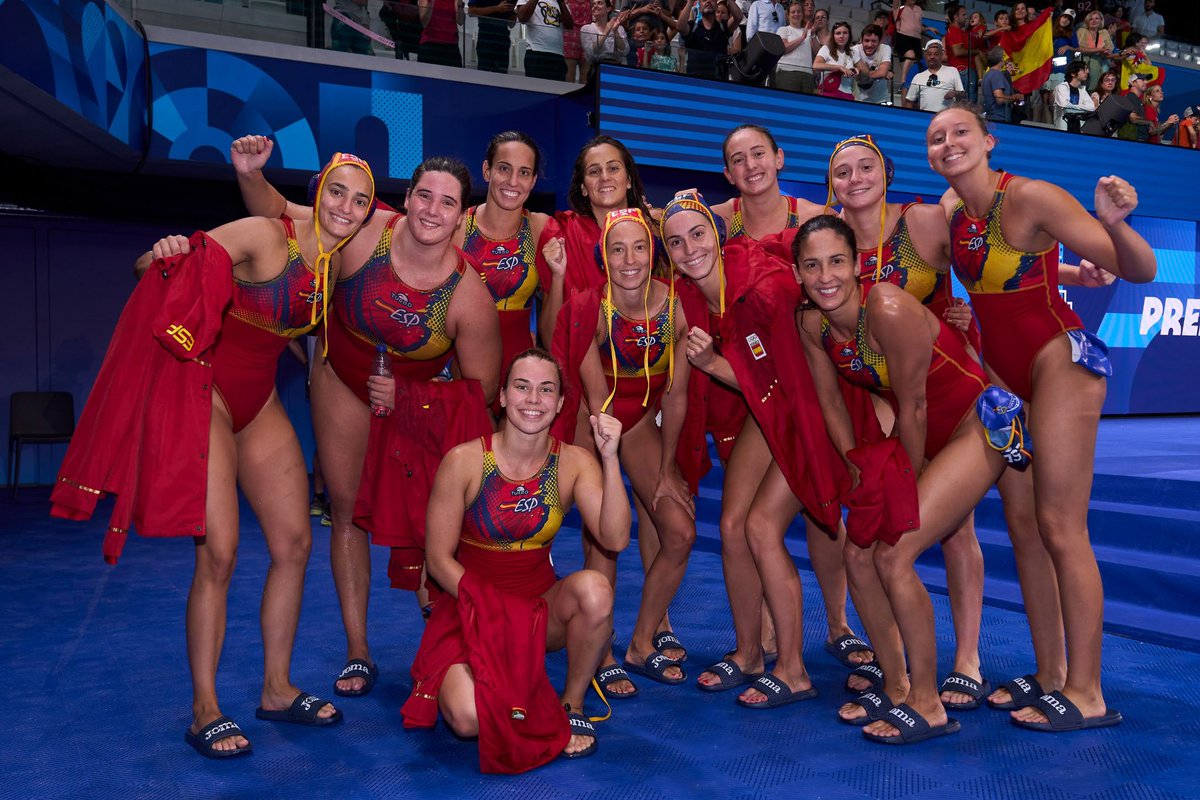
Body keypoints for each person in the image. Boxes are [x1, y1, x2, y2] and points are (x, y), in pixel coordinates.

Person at [53, 152, 378, 758]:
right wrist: (169, 248)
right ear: (318, 192)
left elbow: (289, 330)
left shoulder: (341, 262)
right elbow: (147, 266)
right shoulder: (263, 235)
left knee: (294, 543)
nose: (347, 208)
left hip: (258, 404)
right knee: (220, 553)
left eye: (360, 201)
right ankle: (204, 708)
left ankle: (277, 689)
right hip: (205, 393)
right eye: (337, 193)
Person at [231, 138, 501, 699]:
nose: (431, 209)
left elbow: (485, 391)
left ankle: (443, 643)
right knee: (348, 511)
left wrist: (413, 400)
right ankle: (358, 650)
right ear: (407, 200)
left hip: (419, 408)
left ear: (461, 217)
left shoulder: (468, 295)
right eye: (423, 195)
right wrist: (250, 174)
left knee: (438, 526)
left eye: (447, 202)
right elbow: (280, 213)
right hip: (342, 382)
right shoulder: (363, 231)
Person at [929, 101, 1157, 732]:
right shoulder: (950, 213)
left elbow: (1140, 269)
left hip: (1062, 363)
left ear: (988, 141)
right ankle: (1052, 674)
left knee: (1060, 525)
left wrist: (1114, 223)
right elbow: (1014, 268)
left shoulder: (1031, 197)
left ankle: (1087, 691)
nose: (947, 144)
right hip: (1005, 375)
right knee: (1024, 525)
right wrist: (1067, 272)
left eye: (959, 133)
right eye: (935, 137)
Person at [794, 214, 1027, 743]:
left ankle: (928, 702)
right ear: (799, 273)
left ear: (857, 264)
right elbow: (830, 399)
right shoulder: (812, 325)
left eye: (836, 261)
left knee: (893, 553)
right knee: (858, 552)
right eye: (812, 265)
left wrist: (909, 475)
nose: (825, 276)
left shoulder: (890, 306)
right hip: (915, 434)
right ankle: (897, 685)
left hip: (972, 427)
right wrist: (854, 458)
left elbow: (916, 405)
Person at [401, 349, 631, 769]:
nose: (533, 400)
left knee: (596, 590)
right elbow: (437, 560)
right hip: (470, 609)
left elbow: (614, 537)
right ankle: (500, 679)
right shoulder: (464, 460)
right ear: (503, 396)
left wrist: (611, 458)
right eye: (522, 387)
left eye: (546, 390)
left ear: (561, 403)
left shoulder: (576, 462)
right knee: (468, 719)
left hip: (537, 612)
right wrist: (491, 608)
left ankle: (572, 704)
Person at [710, 125, 870, 671]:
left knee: (820, 509)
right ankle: (757, 643)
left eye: (759, 153)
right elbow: (670, 243)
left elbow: (866, 272)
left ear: (780, 157)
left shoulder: (816, 217)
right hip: (753, 389)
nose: (751, 165)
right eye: (738, 159)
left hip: (817, 385)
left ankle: (838, 623)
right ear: (728, 173)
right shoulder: (717, 223)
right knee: (747, 522)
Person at [551, 207, 701, 687]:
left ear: (654, 252)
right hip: (591, 424)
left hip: (638, 425)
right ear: (603, 258)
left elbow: (676, 395)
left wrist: (667, 470)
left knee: (679, 532)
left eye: (639, 247)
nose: (630, 258)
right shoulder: (591, 308)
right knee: (606, 537)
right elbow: (598, 405)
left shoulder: (676, 305)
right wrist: (608, 475)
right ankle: (599, 652)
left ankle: (640, 643)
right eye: (618, 249)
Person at [538, 135, 654, 699]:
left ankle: (654, 629)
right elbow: (555, 332)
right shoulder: (562, 233)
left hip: (646, 388)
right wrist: (559, 276)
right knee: (598, 520)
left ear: (629, 176)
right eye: (593, 170)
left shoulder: (654, 230)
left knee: (657, 511)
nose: (604, 177)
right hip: (586, 391)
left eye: (614, 167)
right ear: (581, 184)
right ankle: (601, 644)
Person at [453, 131, 553, 418]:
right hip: (463, 368)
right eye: (504, 169)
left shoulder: (540, 228)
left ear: (533, 181)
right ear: (487, 170)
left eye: (524, 172)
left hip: (521, 370)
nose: (513, 182)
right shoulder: (457, 226)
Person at [677, 0, 743, 80]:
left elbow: (738, 17)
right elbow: (680, 27)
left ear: (716, 5)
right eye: (704, 0)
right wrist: (690, 2)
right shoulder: (693, 28)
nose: (708, 1)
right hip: (695, 82)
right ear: (699, 6)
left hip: (718, 82)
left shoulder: (723, 28)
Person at [517, 0, 574, 80]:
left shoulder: (560, 2)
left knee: (557, 90)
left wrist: (561, 3)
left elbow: (569, 26)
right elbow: (522, 18)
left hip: (557, 54)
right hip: (536, 51)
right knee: (535, 88)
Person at [904, 40, 964, 113]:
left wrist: (955, 93)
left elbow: (962, 95)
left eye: (936, 54)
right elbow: (909, 101)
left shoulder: (952, 71)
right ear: (925, 56)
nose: (932, 57)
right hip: (925, 118)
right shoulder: (918, 77)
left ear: (942, 55)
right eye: (929, 54)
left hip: (946, 117)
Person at [580, 0, 630, 77]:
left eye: (599, 3)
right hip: (596, 69)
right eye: (593, 4)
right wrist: (607, 29)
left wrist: (615, 31)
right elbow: (590, 51)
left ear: (608, 9)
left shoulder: (619, 28)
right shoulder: (586, 29)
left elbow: (624, 51)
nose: (595, 6)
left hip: (616, 69)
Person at [892, 0, 937, 84]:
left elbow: (919, 26)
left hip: (916, 39)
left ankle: (911, 83)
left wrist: (929, 28)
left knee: (916, 63)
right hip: (903, 37)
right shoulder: (900, 7)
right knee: (910, 56)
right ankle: (903, 81)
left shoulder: (918, 9)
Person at [468, 0, 516, 73]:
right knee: (485, 74)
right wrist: (496, 8)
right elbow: (471, 12)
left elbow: (511, 24)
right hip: (486, 39)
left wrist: (513, 11)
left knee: (501, 76)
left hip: (503, 40)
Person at [813, 21, 857, 100]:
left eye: (845, 33)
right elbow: (816, 65)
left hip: (848, 94)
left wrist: (856, 71)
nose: (841, 36)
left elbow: (861, 70)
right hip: (829, 92)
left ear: (849, 35)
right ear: (833, 36)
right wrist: (839, 67)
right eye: (838, 33)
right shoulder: (826, 49)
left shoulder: (853, 52)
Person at [851, 24, 893, 104]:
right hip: (858, 100)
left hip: (881, 100)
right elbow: (882, 73)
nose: (869, 45)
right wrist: (879, 72)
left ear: (880, 41)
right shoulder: (854, 50)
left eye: (873, 41)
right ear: (861, 40)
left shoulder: (885, 48)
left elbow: (882, 73)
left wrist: (861, 74)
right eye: (866, 40)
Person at [981, 47, 1023, 123]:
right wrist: (1016, 97)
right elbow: (999, 99)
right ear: (1001, 59)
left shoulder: (988, 74)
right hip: (999, 119)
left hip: (991, 117)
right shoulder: (997, 75)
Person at [943, 3, 975, 102]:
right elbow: (957, 52)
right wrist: (977, 52)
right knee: (965, 103)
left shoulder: (959, 31)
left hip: (963, 71)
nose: (966, 17)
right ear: (956, 17)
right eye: (963, 15)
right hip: (962, 70)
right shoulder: (954, 31)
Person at [417, 0, 465, 67]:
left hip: (451, 45)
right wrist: (432, 3)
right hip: (430, 43)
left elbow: (460, 21)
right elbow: (424, 22)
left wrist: (460, 4)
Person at [1076, 10, 1115, 92]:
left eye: (1097, 18)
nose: (1094, 21)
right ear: (1087, 21)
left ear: (1101, 21)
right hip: (1082, 61)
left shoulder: (1104, 32)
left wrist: (1100, 51)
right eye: (1091, 19)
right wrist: (1099, 50)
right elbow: (1079, 48)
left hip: (1098, 62)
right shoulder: (1082, 31)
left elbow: (1109, 48)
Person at [1053, 60, 1097, 131]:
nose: (1087, 72)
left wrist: (1072, 107)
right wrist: (1083, 108)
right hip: (1064, 128)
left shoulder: (1082, 90)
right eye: (1084, 69)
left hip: (1078, 128)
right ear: (1073, 73)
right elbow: (1064, 105)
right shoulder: (1061, 88)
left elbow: (1092, 107)